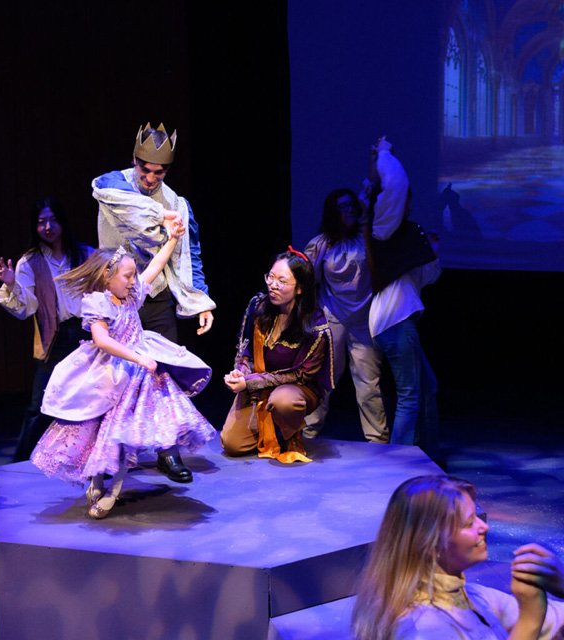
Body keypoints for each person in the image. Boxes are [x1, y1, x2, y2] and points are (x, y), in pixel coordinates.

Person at [31, 223, 215, 519]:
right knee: (98, 432)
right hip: (108, 374)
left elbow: (155, 266)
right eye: (128, 276)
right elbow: (101, 340)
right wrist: (138, 358)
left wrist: (172, 240)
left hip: (139, 379)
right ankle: (95, 479)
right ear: (107, 277)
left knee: (126, 435)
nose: (133, 281)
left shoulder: (131, 296)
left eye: (133, 275)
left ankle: (114, 491)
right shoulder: (97, 302)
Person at [92, 122, 215, 482]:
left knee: (164, 377)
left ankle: (168, 452)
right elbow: (108, 192)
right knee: (112, 379)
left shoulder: (177, 202)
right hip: (115, 300)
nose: (149, 177)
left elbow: (189, 255)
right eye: (144, 169)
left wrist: (200, 301)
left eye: (157, 172)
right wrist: (160, 216)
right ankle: (104, 458)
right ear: (134, 160)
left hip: (155, 298)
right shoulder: (114, 185)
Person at [351, 475, 564, 639]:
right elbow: (533, 619)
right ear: (431, 543)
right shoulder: (419, 627)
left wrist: (560, 585)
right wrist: (530, 617)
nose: (485, 526)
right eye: (469, 523)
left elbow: (556, 617)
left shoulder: (471, 596)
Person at [0, 196, 93, 461]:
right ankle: (21, 462)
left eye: (52, 220)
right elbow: (26, 307)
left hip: (89, 335)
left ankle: (94, 460)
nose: (48, 227)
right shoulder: (30, 262)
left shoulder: (84, 254)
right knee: (40, 406)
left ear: (62, 222)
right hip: (55, 338)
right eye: (41, 222)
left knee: (93, 400)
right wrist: (12, 283)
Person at [364, 137, 441, 454]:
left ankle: (428, 455)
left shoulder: (396, 234)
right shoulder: (382, 227)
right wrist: (384, 153)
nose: (405, 205)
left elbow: (422, 279)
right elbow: (396, 185)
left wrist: (434, 255)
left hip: (397, 321)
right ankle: (397, 469)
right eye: (403, 201)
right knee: (410, 394)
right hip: (395, 323)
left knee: (426, 387)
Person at [220, 248, 334, 463]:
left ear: (299, 288)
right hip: (256, 385)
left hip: (295, 389)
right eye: (270, 277)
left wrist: (250, 382)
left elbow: (300, 375)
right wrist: (240, 372)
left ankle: (291, 434)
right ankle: (267, 428)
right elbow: (245, 349)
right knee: (233, 445)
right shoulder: (258, 306)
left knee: (283, 400)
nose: (272, 285)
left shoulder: (315, 326)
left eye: (282, 281)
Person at [303, 188, 388, 443]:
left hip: (364, 319)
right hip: (333, 318)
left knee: (369, 384)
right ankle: (307, 433)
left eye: (352, 205)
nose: (349, 209)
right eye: (343, 206)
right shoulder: (321, 244)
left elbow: (379, 275)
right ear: (332, 212)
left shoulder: (367, 239)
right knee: (324, 379)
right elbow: (307, 281)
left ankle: (378, 440)